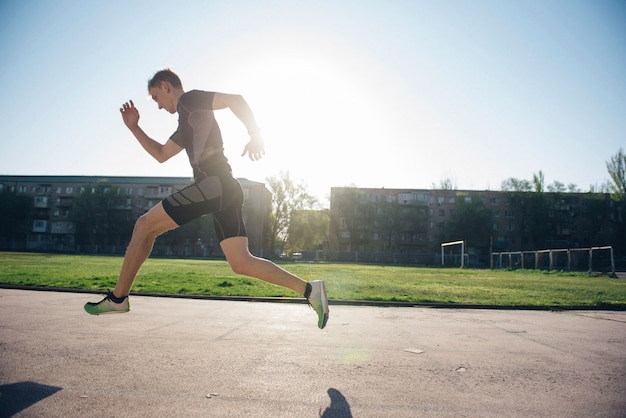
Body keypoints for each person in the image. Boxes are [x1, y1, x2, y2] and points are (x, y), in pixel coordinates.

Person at [84, 69, 329, 329]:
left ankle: (119, 297)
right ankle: (310, 291)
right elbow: (161, 154)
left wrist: (255, 134)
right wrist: (134, 128)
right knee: (241, 262)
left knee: (144, 225)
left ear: (166, 86)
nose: (157, 105)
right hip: (226, 189)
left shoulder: (190, 101)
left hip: (213, 185)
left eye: (156, 97)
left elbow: (236, 99)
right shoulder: (186, 121)